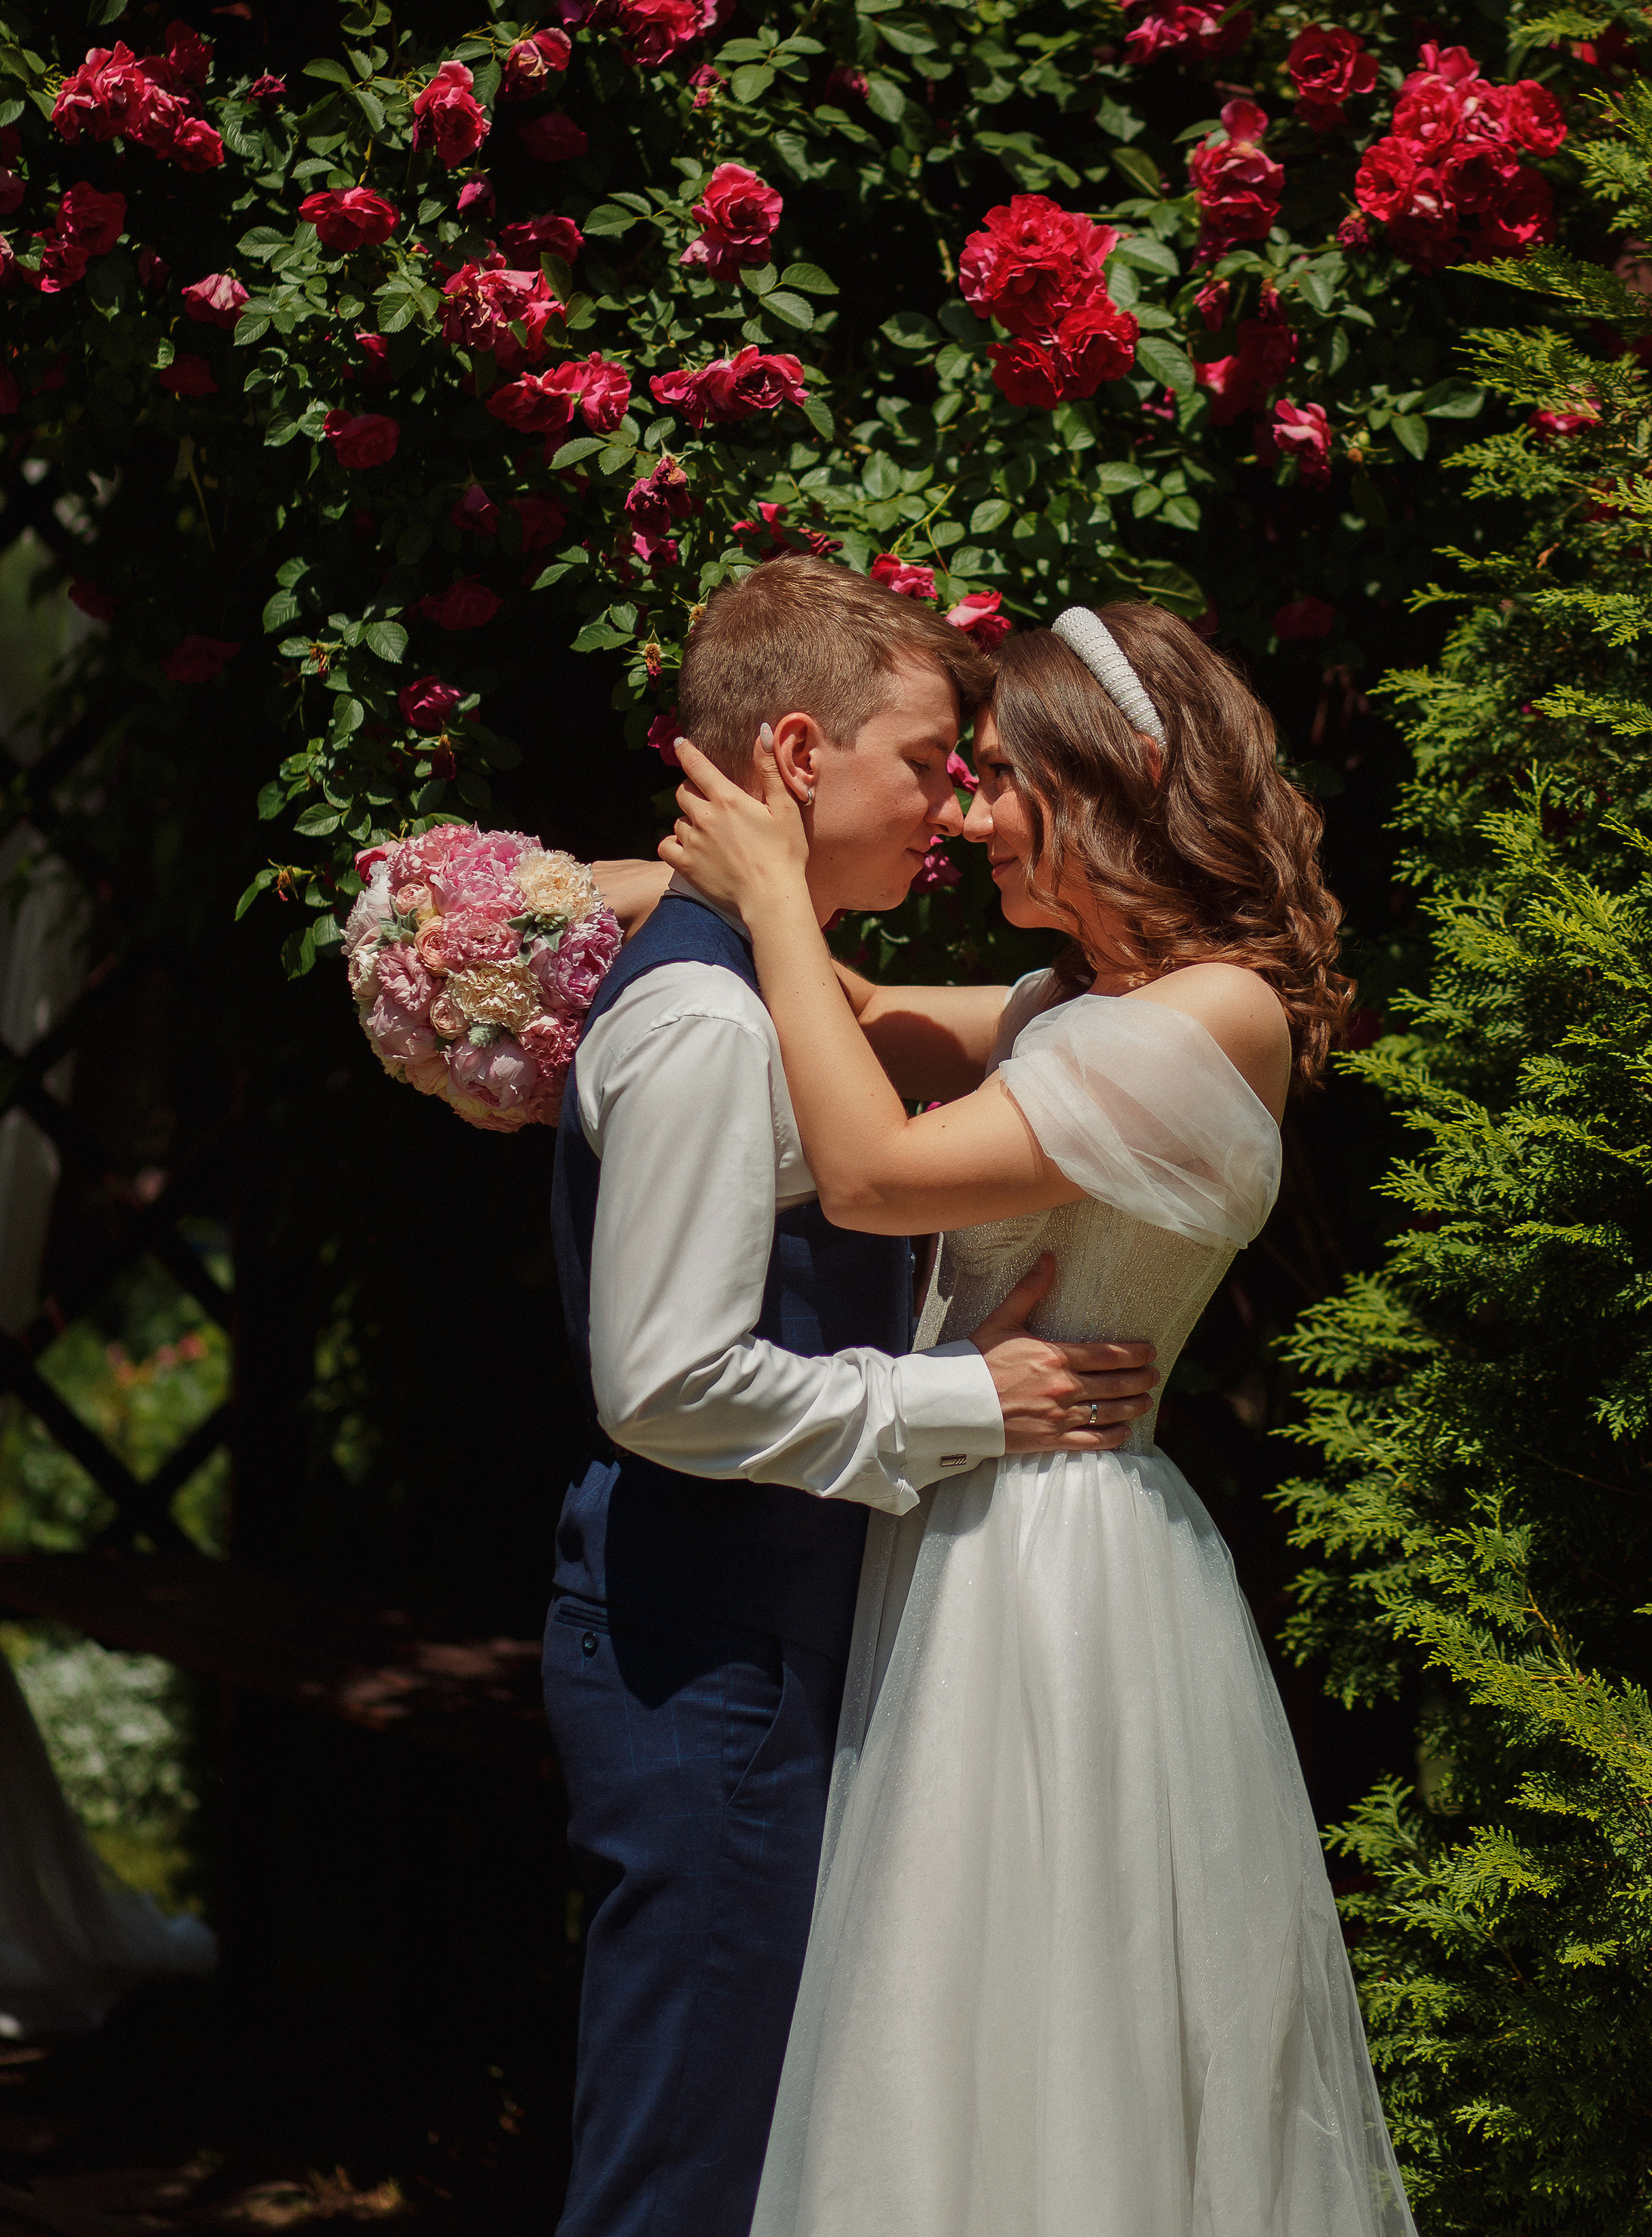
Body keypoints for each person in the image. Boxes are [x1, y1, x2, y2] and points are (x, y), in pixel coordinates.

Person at [657, 599, 1420, 2237]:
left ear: (1119, 777)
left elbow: (869, 1172)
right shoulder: (1081, 1003)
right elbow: (850, 1016)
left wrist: (778, 900)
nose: (972, 816)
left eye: (1003, 780)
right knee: (940, 2011)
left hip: (1055, 1568)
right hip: (969, 1508)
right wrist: (600, 893)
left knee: (1034, 2006)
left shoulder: (1210, 1018)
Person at [546, 558, 1163, 2237]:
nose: (949, 809)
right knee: (683, 2164)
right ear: (799, 753)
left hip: (749, 1637)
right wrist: (967, 1400)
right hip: (707, 1652)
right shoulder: (702, 1026)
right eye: (926, 760)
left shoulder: (777, 994)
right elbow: (665, 1388)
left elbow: (983, 1034)